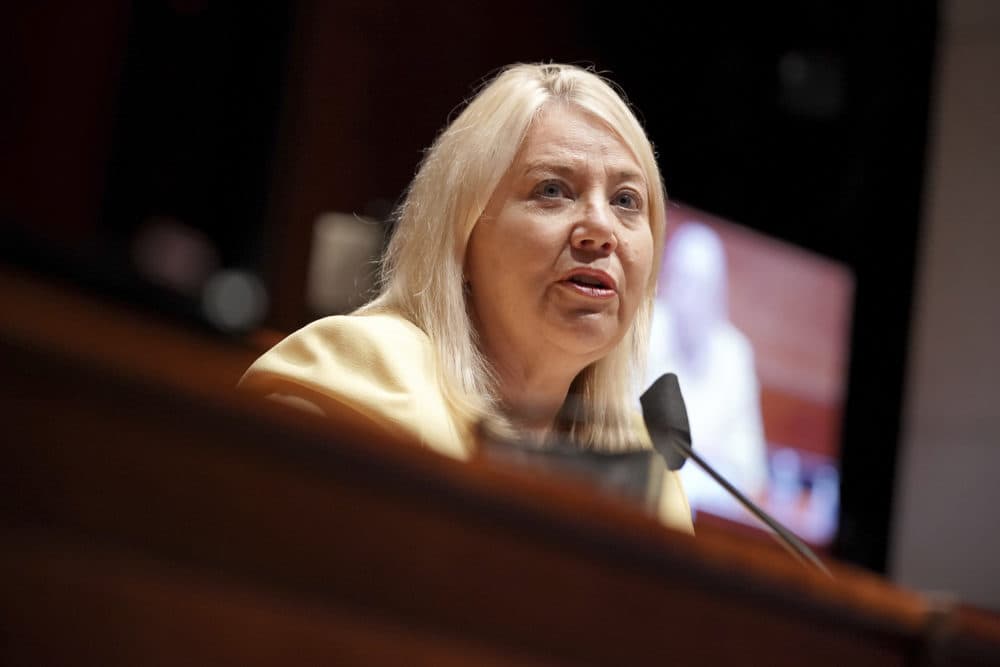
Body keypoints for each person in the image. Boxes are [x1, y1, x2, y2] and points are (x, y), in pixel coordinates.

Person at [240, 63, 693, 533]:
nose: (601, 230)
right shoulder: (359, 381)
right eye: (552, 190)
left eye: (626, 201)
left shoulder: (648, 470)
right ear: (463, 234)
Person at [645, 221, 769, 520]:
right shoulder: (644, 330)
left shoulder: (735, 354)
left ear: (718, 293)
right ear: (668, 280)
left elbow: (751, 467)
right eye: (683, 281)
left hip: (711, 515)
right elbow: (618, 428)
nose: (690, 299)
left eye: (702, 286)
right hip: (643, 501)